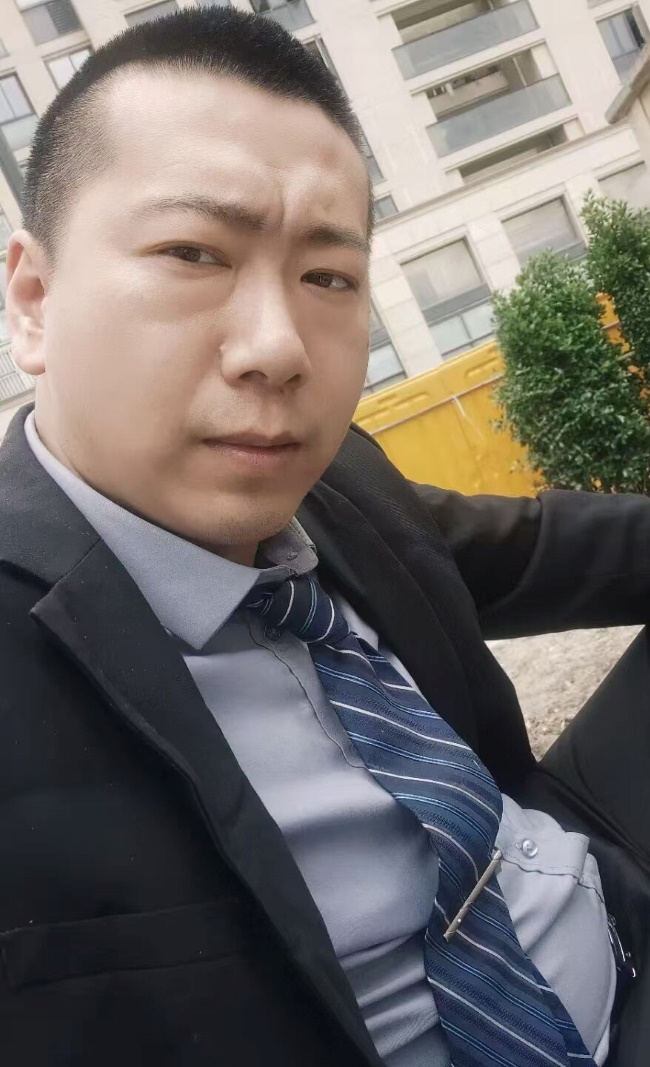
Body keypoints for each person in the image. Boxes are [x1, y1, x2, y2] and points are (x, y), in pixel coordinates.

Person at [1, 7, 649, 1066]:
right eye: (193, 252)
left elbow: (538, 549)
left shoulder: (336, 481)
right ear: (33, 298)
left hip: (595, 893)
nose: (277, 346)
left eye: (327, 277)